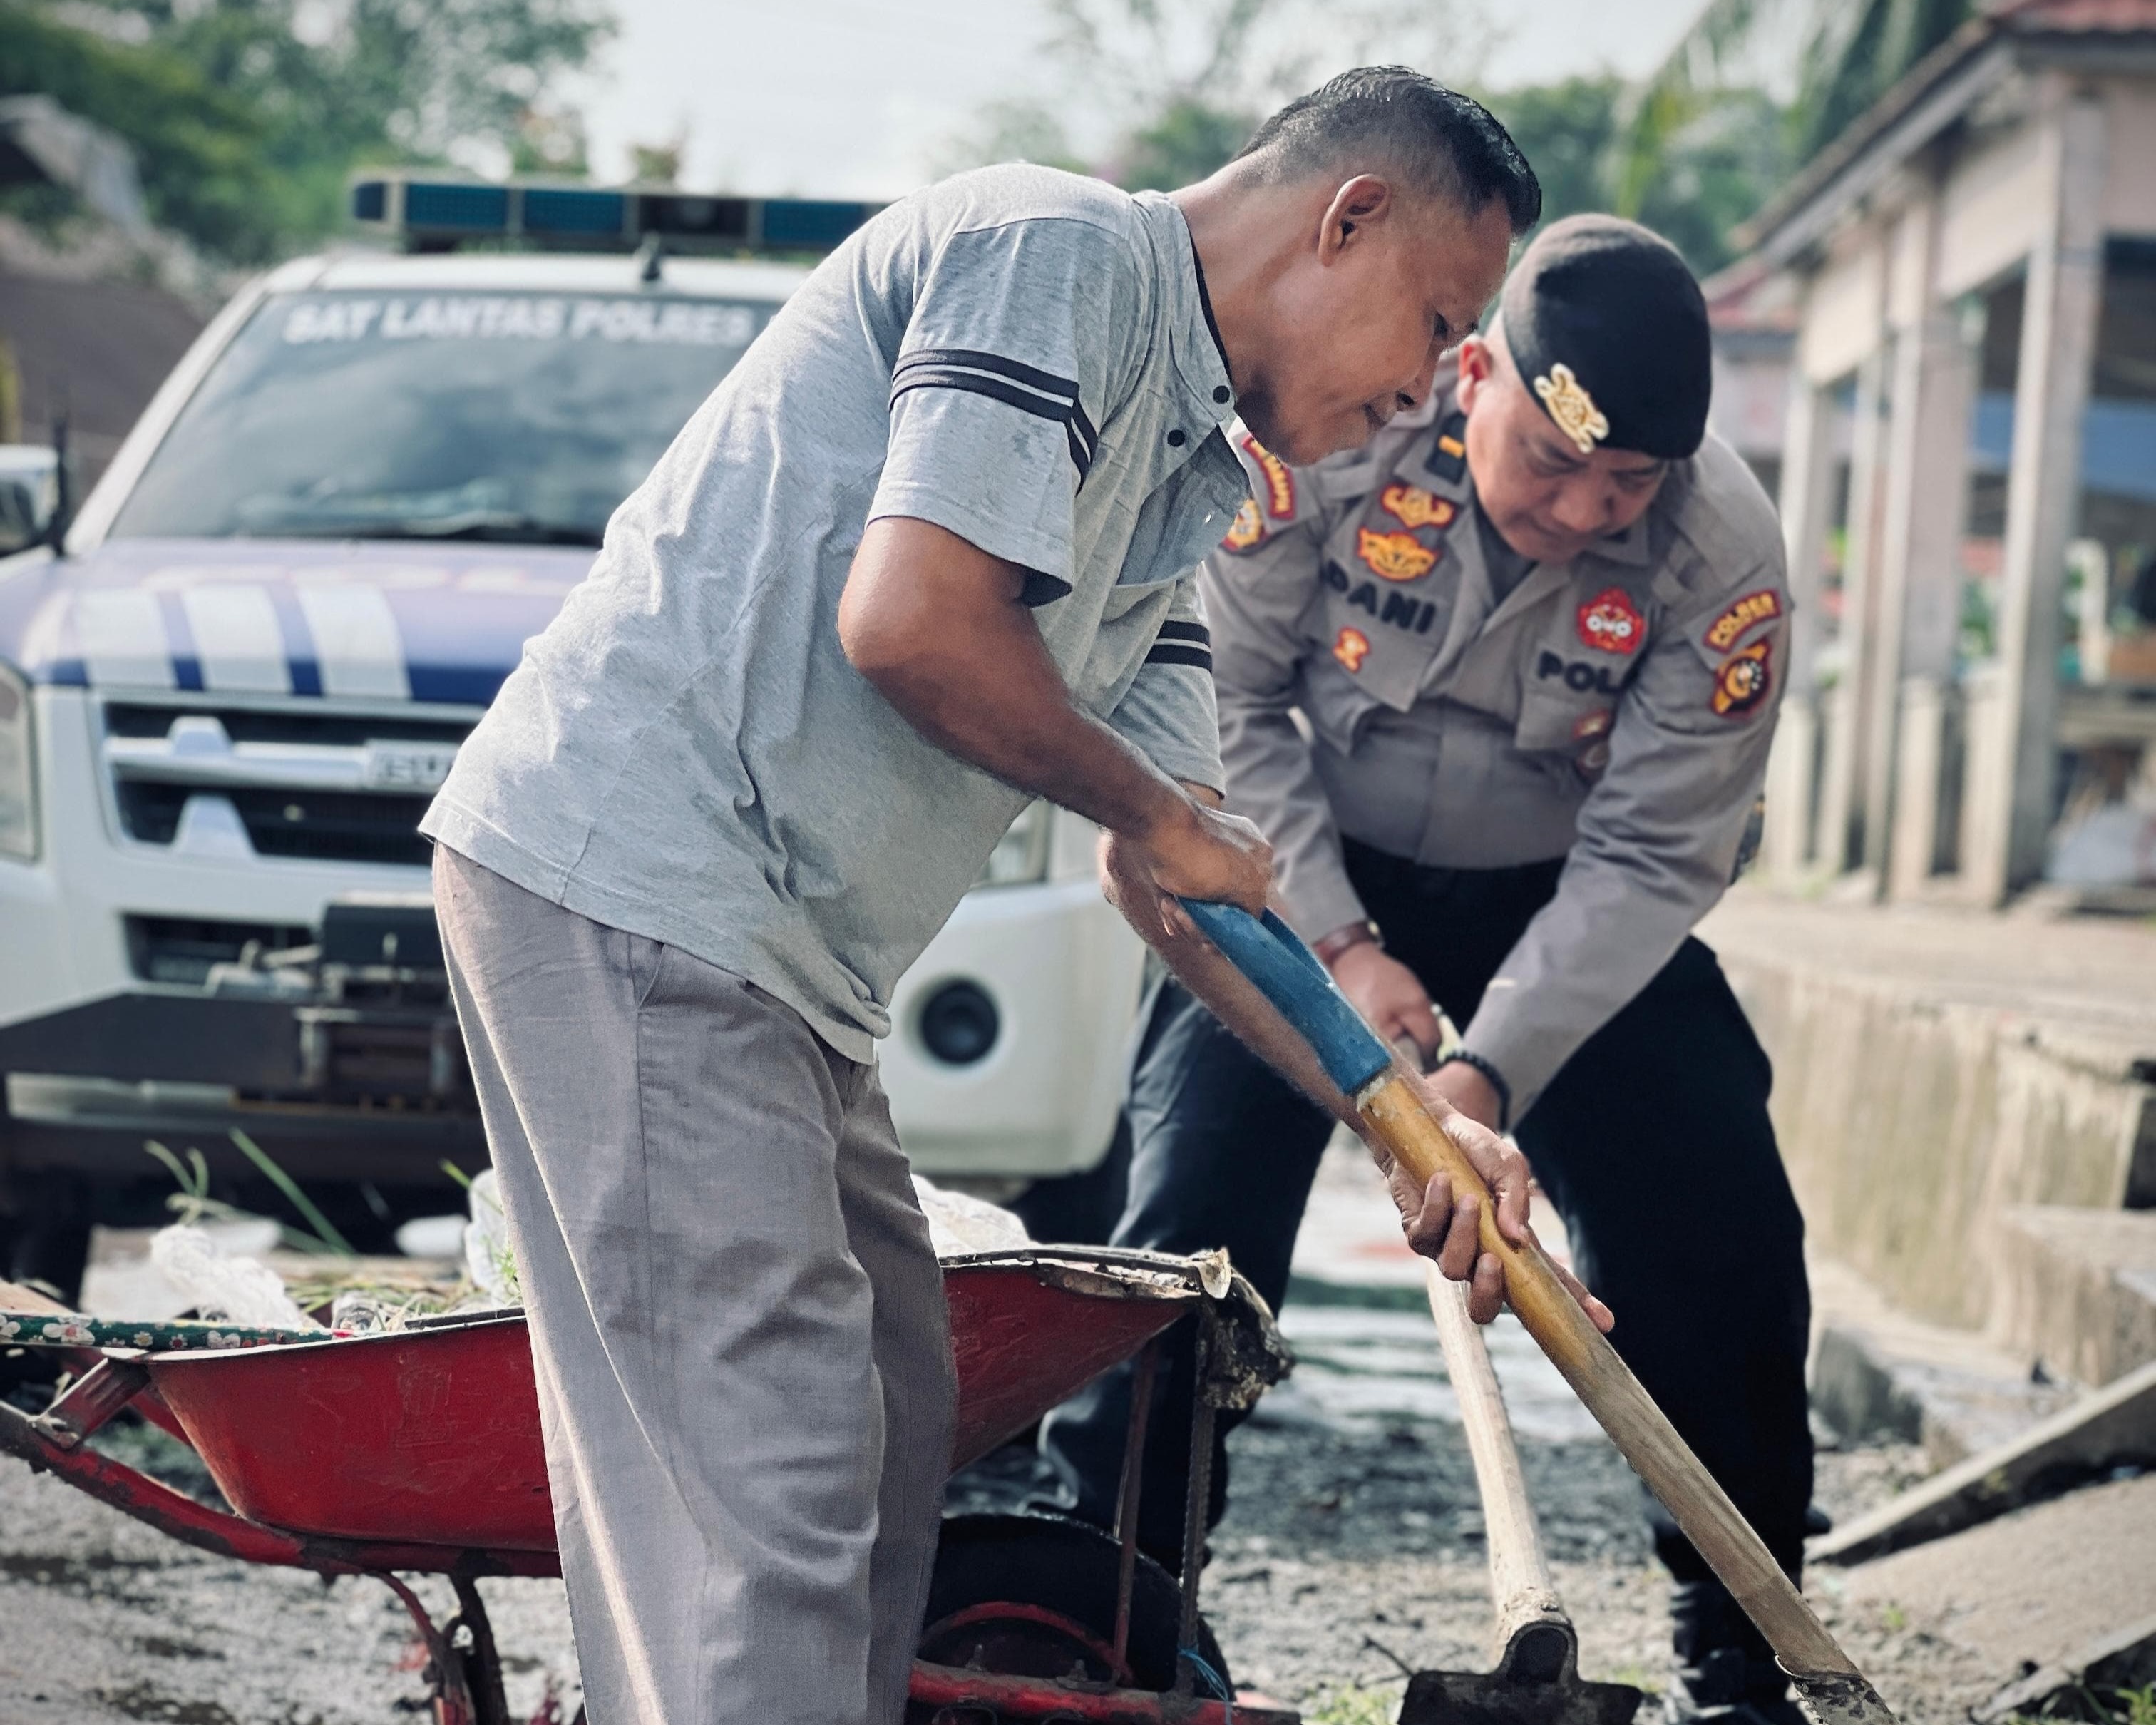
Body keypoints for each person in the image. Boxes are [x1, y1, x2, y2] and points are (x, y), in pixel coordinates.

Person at [421, 68, 1543, 1725]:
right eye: (1437, 321)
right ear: (1345, 220)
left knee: (885, 1409)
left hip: (774, 961)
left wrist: (1408, 1133)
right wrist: (1159, 814)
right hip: (641, 886)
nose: (1428, 394)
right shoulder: (1061, 253)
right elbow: (918, 622)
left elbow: (1188, 882)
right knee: (780, 1474)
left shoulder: (1183, 471)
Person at [1040, 214, 1812, 1725]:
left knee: (1716, 1221)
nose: (1589, 508)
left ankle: (1748, 1649)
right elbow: (1230, 711)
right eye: (1556, 462)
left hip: (1570, 899)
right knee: (1184, 1220)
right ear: (1475, 375)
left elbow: (1660, 855)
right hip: (1296, 866)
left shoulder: (1726, 555)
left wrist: (1480, 1066)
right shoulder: (1336, 439)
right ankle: (1118, 1612)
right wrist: (1340, 954)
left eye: (1628, 484)